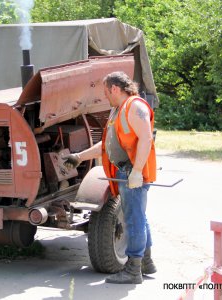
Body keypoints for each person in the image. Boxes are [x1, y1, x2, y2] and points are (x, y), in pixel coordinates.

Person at [64, 71, 157, 284]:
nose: (105, 96)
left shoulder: (135, 106)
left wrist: (137, 171)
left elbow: (145, 139)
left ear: (115, 88)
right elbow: (107, 145)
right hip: (126, 171)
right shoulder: (118, 110)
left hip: (133, 172)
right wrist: (79, 157)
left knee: (133, 218)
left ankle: (133, 270)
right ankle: (146, 262)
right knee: (138, 216)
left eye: (106, 91)